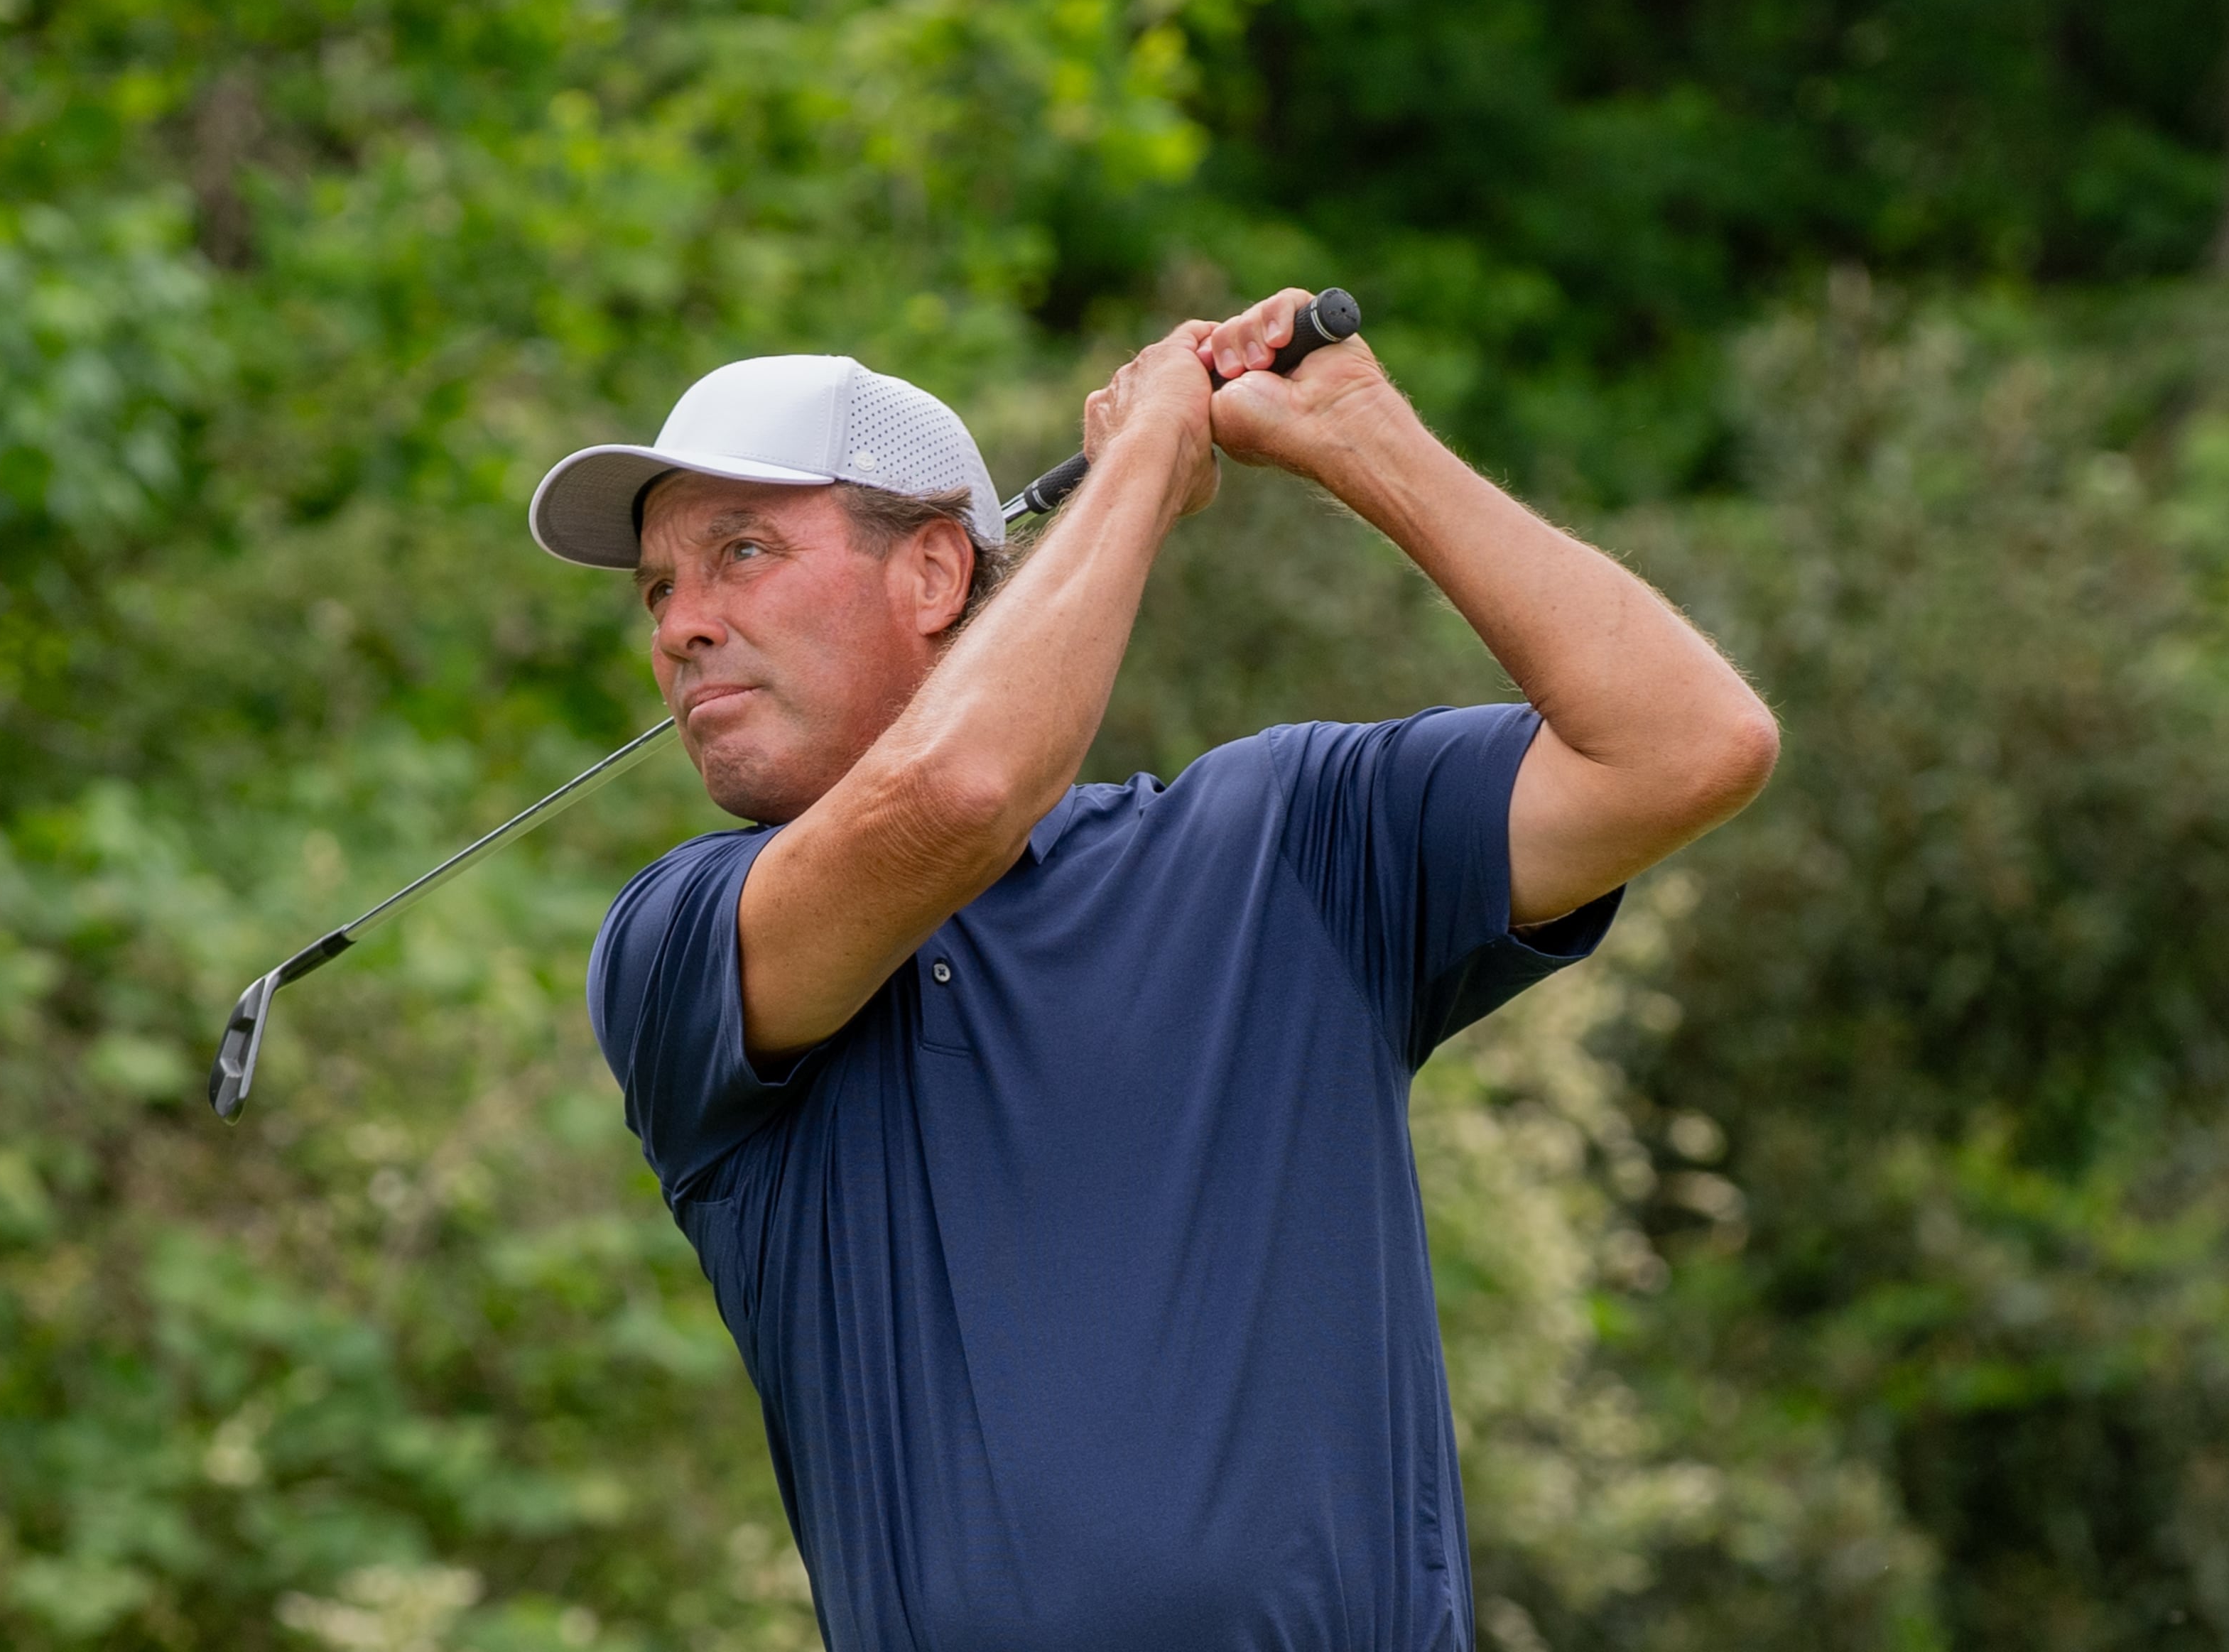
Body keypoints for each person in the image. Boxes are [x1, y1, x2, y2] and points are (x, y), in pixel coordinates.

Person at [525, 289, 1779, 1651]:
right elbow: (960, 793)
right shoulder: (679, 945)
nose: (680, 625)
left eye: (742, 552)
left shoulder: (1291, 839)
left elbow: (1689, 744)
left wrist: (1365, 440)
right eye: (660, 588)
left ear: (939, 573)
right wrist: (1142, 468)